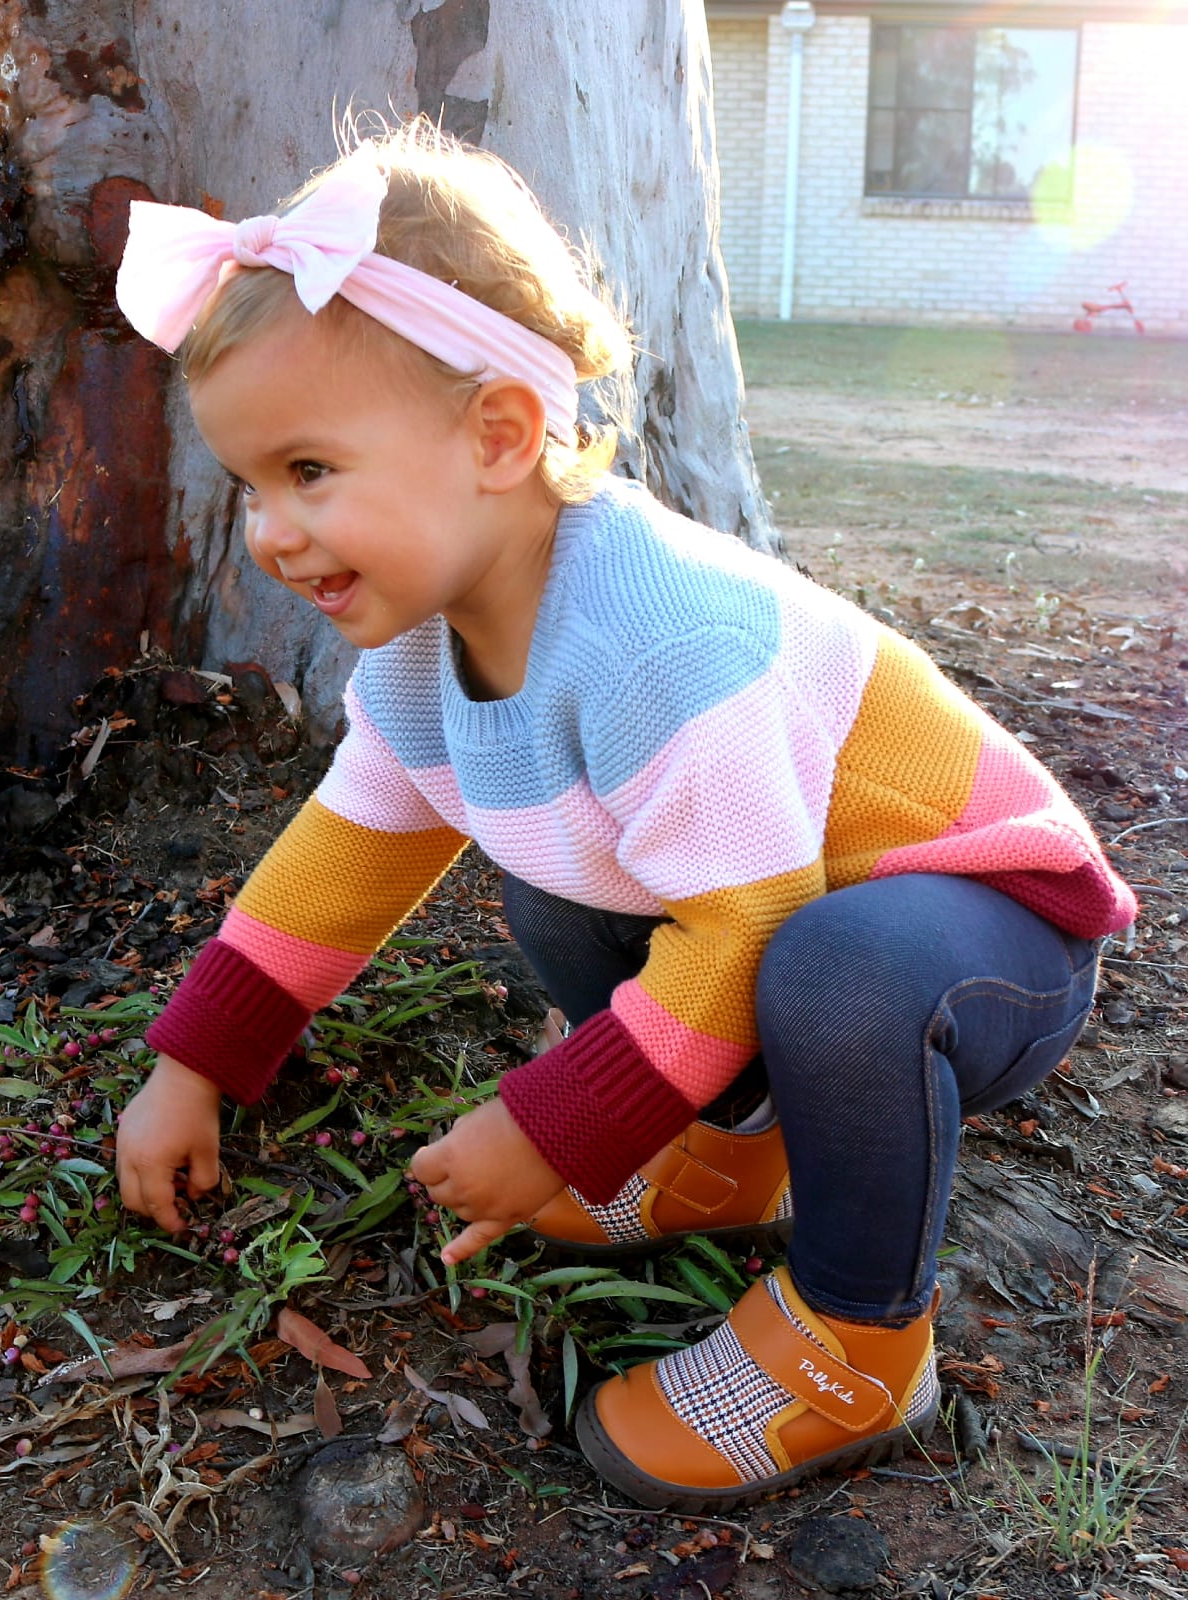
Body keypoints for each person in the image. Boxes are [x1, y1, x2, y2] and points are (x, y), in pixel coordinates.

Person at [113, 119, 1136, 1512]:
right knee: (557, 872)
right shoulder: (425, 650)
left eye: (308, 471)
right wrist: (197, 1065)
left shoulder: (658, 642)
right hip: (803, 925)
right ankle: (727, 1162)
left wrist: (547, 1124)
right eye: (248, 485)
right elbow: (343, 857)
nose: (271, 532)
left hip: (986, 947)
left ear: (496, 433)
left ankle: (858, 1337)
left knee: (829, 972)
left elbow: (753, 926)